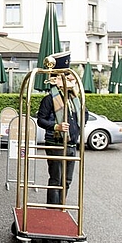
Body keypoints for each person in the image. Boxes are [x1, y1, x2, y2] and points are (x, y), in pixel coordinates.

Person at [36, 65, 88, 205]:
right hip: (55, 143)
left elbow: (84, 116)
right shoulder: (49, 99)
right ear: (57, 80)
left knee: (67, 180)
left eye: (72, 80)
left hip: (71, 144)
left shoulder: (74, 99)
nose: (72, 82)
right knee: (56, 179)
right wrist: (56, 126)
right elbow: (41, 120)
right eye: (67, 79)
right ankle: (53, 210)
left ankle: (61, 206)